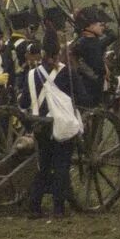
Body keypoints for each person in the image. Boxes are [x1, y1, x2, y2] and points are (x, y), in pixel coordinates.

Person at [22, 32, 81, 218]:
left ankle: (35, 206)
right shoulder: (67, 73)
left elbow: (24, 101)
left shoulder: (31, 74)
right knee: (62, 165)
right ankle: (58, 208)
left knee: (44, 165)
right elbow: (82, 97)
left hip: (39, 126)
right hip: (60, 124)